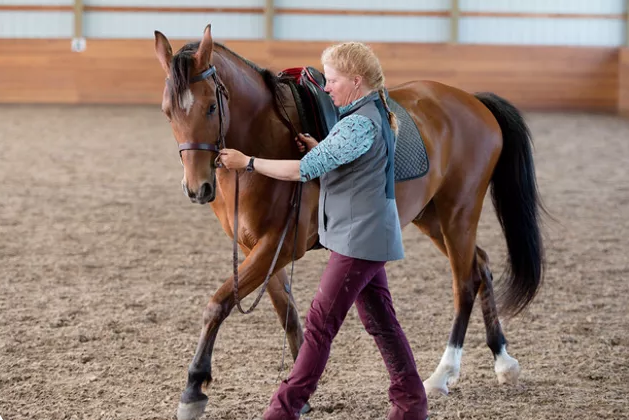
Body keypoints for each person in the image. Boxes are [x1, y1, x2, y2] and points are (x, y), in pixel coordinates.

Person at [219, 42, 428, 420]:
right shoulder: (371, 113)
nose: (327, 88)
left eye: (332, 80)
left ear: (355, 80)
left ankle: (283, 411)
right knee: (381, 323)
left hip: (358, 241)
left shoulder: (357, 123)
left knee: (318, 327)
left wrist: (246, 162)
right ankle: (411, 404)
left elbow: (301, 171)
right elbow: (351, 162)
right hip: (368, 236)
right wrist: (320, 146)